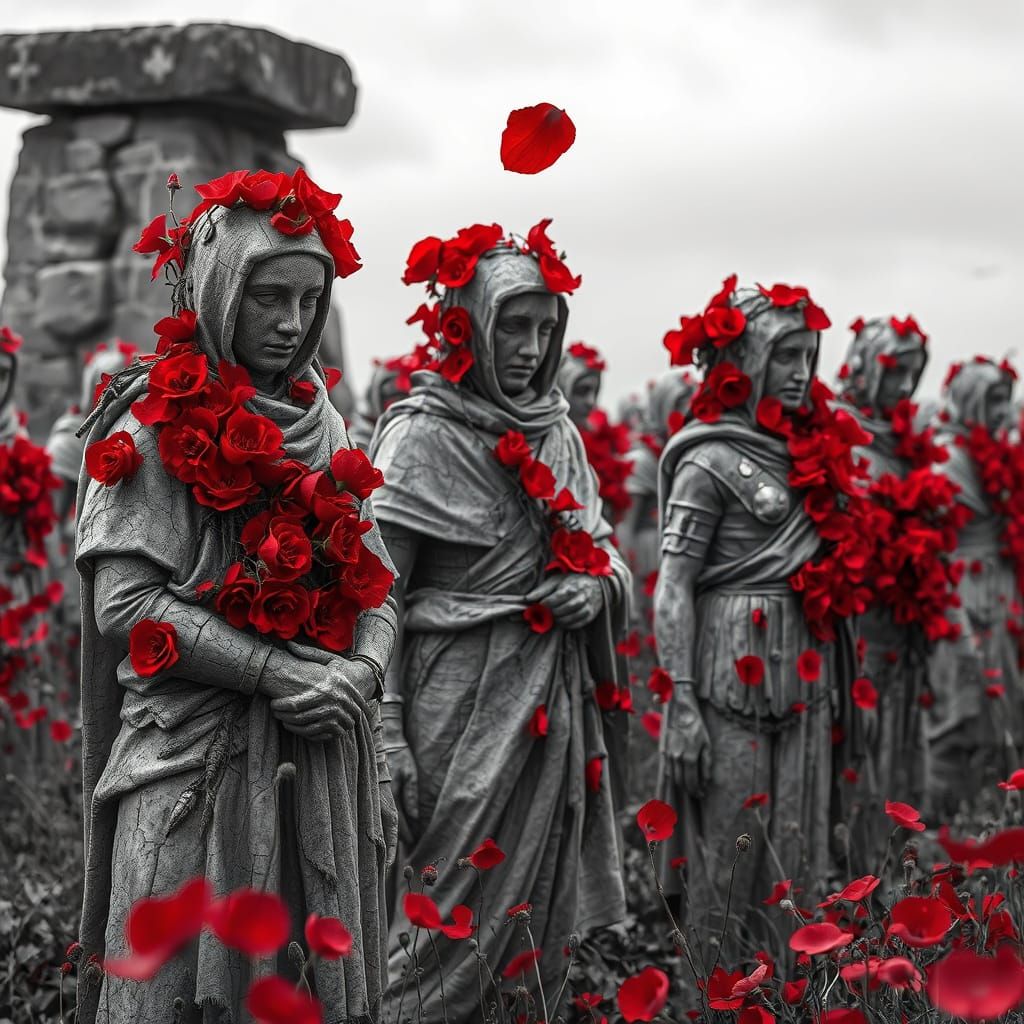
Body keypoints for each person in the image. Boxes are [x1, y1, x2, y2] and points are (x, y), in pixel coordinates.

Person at [76, 171, 398, 1024]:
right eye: (267, 297)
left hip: (313, 759)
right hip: (186, 761)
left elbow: (379, 588)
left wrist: (360, 672)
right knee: (163, 997)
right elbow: (126, 606)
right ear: (221, 290)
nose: (292, 324)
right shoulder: (148, 426)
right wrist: (274, 672)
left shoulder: (327, 426)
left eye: (309, 299)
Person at [371, 226, 629, 1020]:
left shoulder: (559, 432)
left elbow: (607, 554)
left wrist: (598, 589)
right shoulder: (418, 437)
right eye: (513, 325)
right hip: (453, 701)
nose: (531, 347)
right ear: (466, 323)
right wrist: (385, 732)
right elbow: (376, 593)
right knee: (441, 907)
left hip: (549, 704)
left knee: (533, 909)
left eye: (547, 328)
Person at [655, 279, 861, 960]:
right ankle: (712, 997)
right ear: (745, 359)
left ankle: (789, 992)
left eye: (809, 356)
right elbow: (673, 586)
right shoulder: (707, 461)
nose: (801, 374)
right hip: (725, 689)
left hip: (804, 684)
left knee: (794, 859)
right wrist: (681, 701)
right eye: (785, 356)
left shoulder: (812, 454)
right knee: (727, 857)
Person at [833, 316, 961, 864]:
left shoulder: (906, 441)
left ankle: (892, 865)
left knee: (898, 739)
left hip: (902, 621)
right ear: (862, 367)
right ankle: (856, 866)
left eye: (914, 374)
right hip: (859, 623)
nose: (906, 388)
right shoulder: (841, 429)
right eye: (894, 372)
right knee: (861, 741)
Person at [928, 357, 1020, 811]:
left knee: (1004, 705)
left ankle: (991, 814)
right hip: (964, 593)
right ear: (968, 402)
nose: (1002, 413)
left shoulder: (997, 453)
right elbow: (938, 547)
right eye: (993, 402)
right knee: (962, 706)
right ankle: (949, 822)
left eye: (1006, 402)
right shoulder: (950, 460)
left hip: (999, 591)